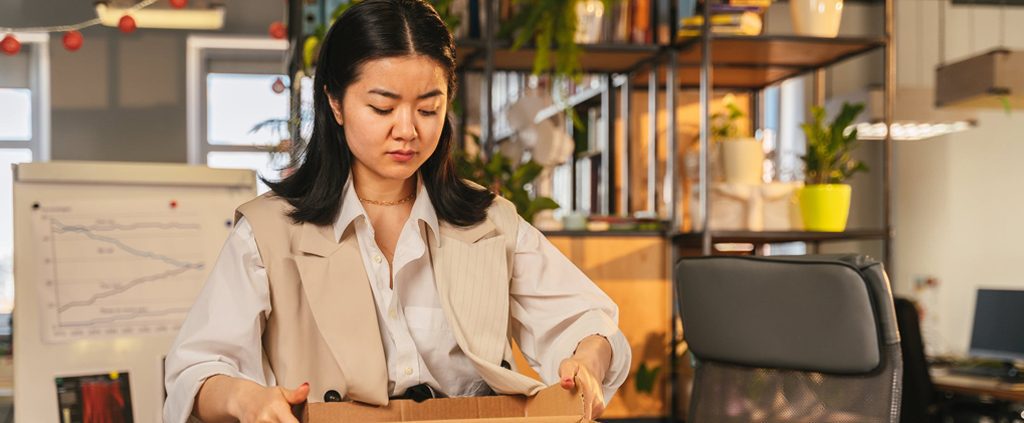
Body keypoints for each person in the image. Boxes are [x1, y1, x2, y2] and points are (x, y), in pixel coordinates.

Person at [163, 1, 630, 422]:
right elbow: (196, 371)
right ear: (334, 103)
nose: (406, 130)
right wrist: (246, 399)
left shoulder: (490, 222)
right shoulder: (268, 232)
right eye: (382, 107)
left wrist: (586, 360)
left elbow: (587, 323)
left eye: (428, 110)